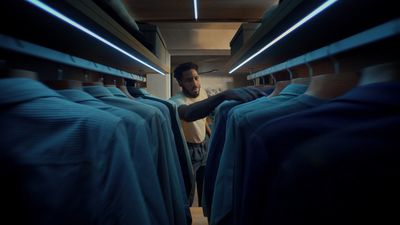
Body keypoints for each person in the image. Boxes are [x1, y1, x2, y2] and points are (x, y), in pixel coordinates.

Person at [169, 62, 267, 207]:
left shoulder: (201, 93)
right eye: (189, 80)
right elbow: (189, 114)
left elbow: (203, 119)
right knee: (187, 192)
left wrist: (210, 135)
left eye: (196, 78)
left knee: (207, 188)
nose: (195, 84)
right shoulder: (175, 102)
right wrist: (222, 95)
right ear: (180, 82)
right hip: (187, 150)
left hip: (204, 145)